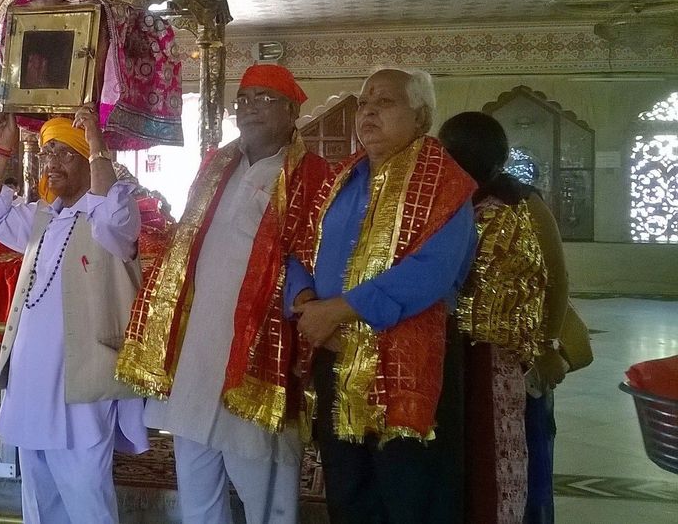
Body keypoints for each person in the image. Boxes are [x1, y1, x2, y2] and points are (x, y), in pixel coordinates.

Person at [117, 64, 331, 524]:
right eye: (244, 98)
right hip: (197, 346)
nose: (250, 107)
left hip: (259, 345)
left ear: (292, 111)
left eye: (264, 98)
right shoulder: (217, 164)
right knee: (196, 477)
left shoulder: (312, 174)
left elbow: (314, 253)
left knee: (264, 485)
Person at [288, 67, 477, 524]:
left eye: (385, 102)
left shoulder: (446, 186)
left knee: (410, 490)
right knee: (348, 487)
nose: (368, 110)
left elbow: (431, 272)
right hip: (336, 356)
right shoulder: (339, 181)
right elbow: (297, 248)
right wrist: (305, 302)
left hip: (408, 362)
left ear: (422, 117)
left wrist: (338, 310)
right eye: (365, 101)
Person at [0, 109, 149, 524]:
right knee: (39, 504)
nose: (51, 163)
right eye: (47, 152)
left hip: (81, 388)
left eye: (66, 153)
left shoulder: (110, 215)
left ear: (89, 160)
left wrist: (98, 144)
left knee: (86, 499)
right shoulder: (43, 218)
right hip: (31, 385)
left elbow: (114, 214)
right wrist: (0, 150)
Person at [439, 112, 570, 524]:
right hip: (455, 354)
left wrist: (549, 344)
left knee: (519, 455)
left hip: (512, 357)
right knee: (470, 457)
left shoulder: (524, 203)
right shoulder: (446, 202)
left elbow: (557, 277)